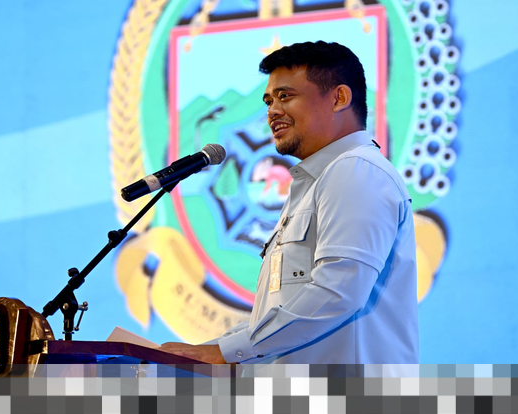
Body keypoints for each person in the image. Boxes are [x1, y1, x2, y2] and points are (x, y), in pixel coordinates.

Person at [160, 41, 418, 364]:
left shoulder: (355, 169)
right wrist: (200, 352)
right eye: (269, 100)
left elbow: (338, 292)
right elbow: (283, 312)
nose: (272, 111)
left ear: (339, 98)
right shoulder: (318, 180)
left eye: (285, 96)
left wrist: (223, 353)